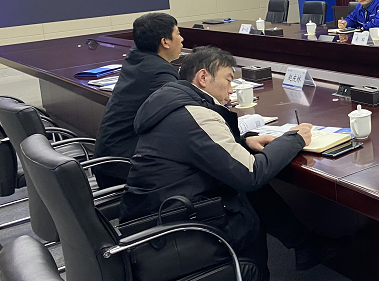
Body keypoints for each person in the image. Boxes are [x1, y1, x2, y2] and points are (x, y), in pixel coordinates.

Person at [119, 46, 342, 279]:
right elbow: (251, 174)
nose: (231, 88)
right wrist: (295, 139)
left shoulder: (170, 102)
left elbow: (198, 150)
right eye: (228, 79)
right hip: (180, 230)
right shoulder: (195, 114)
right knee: (249, 195)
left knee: (252, 191)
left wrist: (244, 143)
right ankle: (286, 253)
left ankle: (304, 245)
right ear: (203, 77)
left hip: (155, 215)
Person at [93, 12, 183, 188]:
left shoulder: (136, 58)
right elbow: (183, 112)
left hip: (107, 159)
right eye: (178, 33)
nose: (182, 39)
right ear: (165, 42)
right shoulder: (160, 72)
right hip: (124, 169)